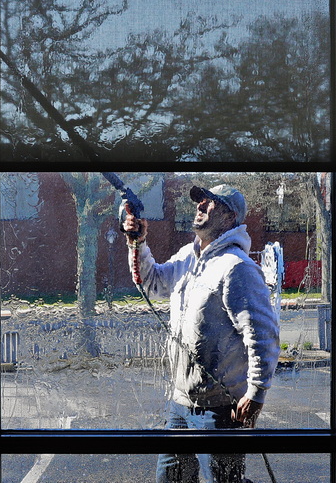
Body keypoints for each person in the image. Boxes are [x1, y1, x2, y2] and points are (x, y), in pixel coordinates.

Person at [122, 184, 281, 483]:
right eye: (200, 201)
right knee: (171, 479)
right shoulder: (187, 257)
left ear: (229, 217)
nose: (200, 206)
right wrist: (139, 243)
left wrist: (257, 392)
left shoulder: (237, 268)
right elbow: (153, 282)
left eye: (210, 203)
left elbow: (263, 334)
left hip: (220, 410)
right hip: (180, 403)